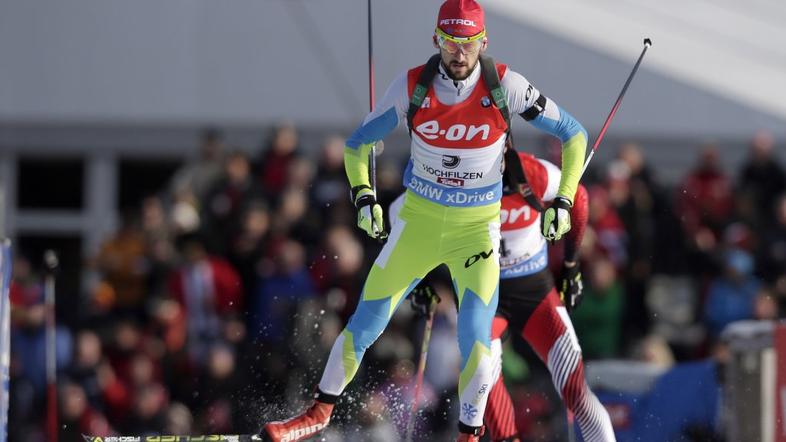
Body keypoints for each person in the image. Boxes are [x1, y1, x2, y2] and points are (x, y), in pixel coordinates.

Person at [261, 1, 588, 440]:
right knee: (366, 320)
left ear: (483, 42)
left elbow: (574, 134)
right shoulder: (412, 86)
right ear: (437, 39)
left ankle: (468, 435)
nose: (459, 52)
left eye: (469, 42)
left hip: (475, 233)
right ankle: (318, 413)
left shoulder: (505, 85)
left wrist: (564, 201)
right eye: (451, 41)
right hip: (418, 224)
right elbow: (358, 145)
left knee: (476, 338)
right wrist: (364, 198)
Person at [407, 153, 615, 441]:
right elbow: (411, 219)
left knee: (576, 392)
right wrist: (420, 279)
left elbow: (578, 196)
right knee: (484, 380)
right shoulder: (452, 178)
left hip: (534, 292)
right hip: (482, 295)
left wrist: (571, 266)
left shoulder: (535, 173)